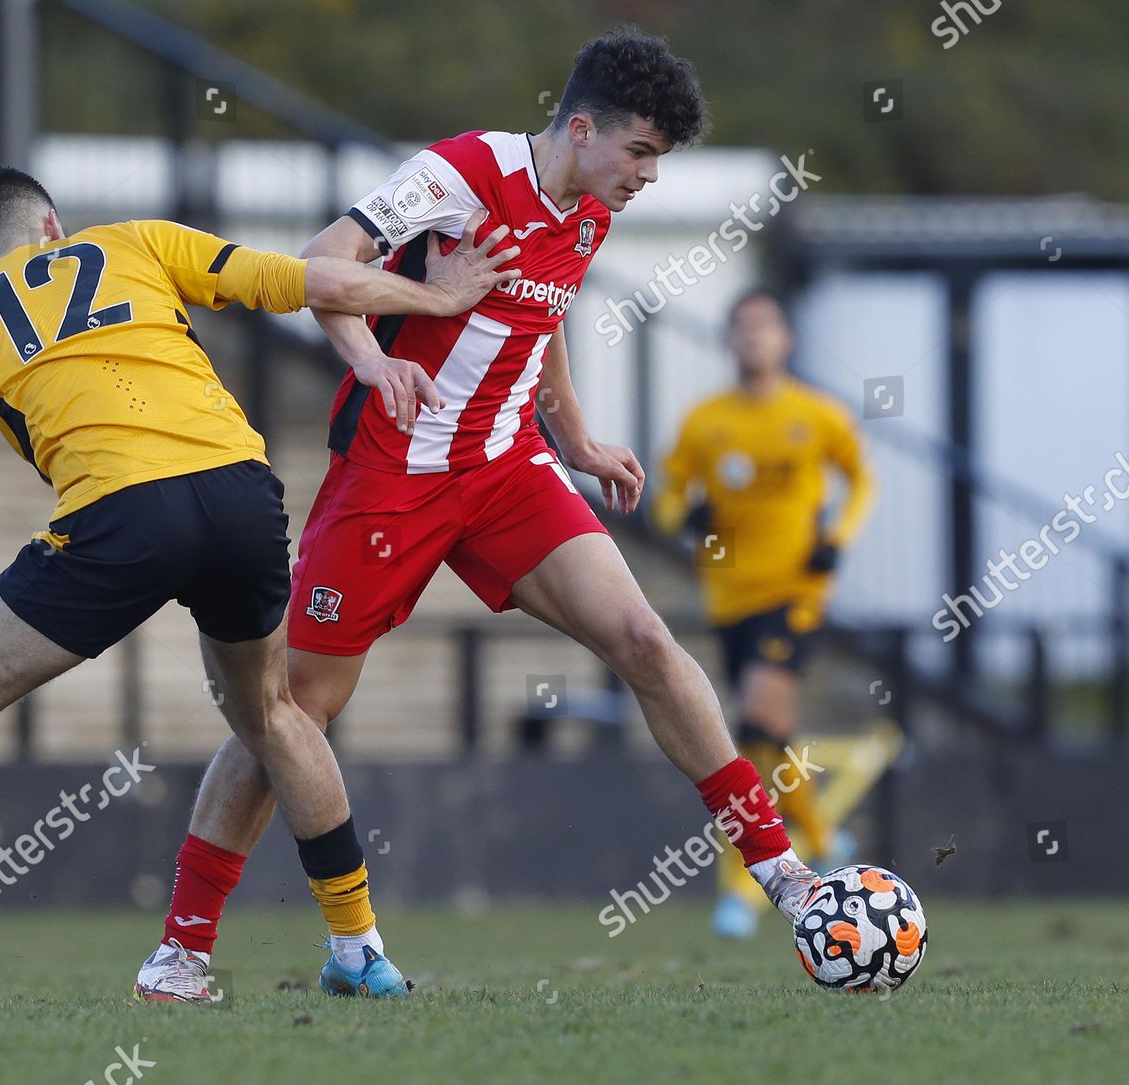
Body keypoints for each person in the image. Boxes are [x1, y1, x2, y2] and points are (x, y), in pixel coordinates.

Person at [0, 166, 519, 1011]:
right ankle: (361, 949)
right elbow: (312, 281)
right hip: (241, 491)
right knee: (274, 714)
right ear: (51, 225)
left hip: (123, 518)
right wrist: (439, 298)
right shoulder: (136, 241)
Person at [135, 27, 823, 1002]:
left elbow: (540, 320)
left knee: (644, 637)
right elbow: (320, 262)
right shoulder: (461, 172)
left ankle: (784, 878)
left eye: (658, 161)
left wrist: (576, 438)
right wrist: (376, 354)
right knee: (289, 711)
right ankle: (182, 946)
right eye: (639, 153)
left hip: (508, 468)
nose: (647, 178)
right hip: (393, 474)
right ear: (581, 127)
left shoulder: (590, 209)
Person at [656, 288, 874, 938]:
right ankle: (819, 833)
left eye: (766, 326)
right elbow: (666, 497)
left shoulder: (818, 414)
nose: (754, 338)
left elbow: (863, 479)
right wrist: (687, 517)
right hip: (730, 597)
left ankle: (748, 885)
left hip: (795, 593)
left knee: (754, 717)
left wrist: (840, 537)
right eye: (743, 327)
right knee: (760, 737)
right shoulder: (705, 421)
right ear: (728, 341)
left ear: (786, 340)